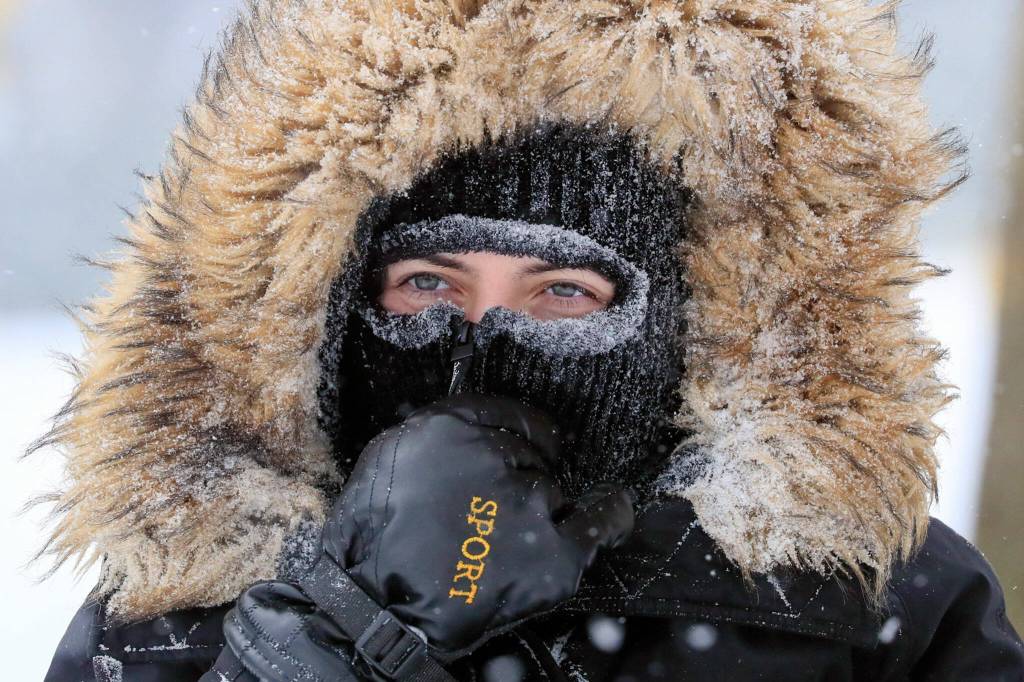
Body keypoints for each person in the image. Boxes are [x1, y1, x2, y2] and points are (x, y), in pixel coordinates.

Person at [39, 2, 1024, 680]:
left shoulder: (869, 606)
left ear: (683, 325)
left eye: (561, 290)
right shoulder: (177, 619)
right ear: (336, 306)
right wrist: (330, 637)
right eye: (428, 283)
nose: (482, 341)